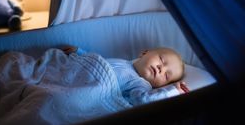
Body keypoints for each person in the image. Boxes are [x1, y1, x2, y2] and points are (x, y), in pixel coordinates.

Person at [61, 46, 189, 106]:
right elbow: (101, 62)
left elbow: (143, 101)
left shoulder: (141, 85)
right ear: (144, 53)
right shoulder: (124, 61)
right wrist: (80, 53)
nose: (161, 68)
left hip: (88, 93)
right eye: (161, 59)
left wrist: (172, 91)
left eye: (166, 76)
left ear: (161, 85)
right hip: (80, 75)